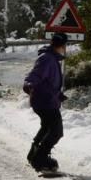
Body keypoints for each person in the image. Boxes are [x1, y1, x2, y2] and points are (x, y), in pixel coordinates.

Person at [23, 32, 68, 172]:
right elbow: (35, 75)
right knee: (56, 131)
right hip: (44, 101)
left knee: (47, 127)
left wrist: (58, 95)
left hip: (46, 99)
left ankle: (34, 154)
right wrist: (28, 84)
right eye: (64, 45)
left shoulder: (51, 58)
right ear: (61, 46)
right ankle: (40, 159)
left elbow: (48, 82)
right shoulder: (47, 59)